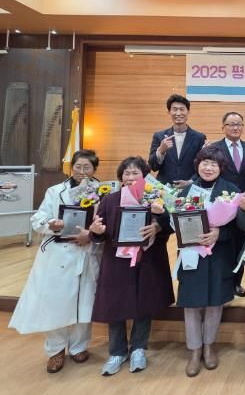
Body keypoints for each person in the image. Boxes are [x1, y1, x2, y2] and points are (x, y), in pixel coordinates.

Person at [9, 150, 103, 374]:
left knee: (85, 299)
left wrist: (92, 234)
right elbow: (37, 219)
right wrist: (52, 223)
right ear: (71, 167)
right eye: (78, 167)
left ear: (94, 169)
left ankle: (79, 347)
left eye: (87, 167)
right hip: (59, 252)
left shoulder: (103, 192)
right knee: (56, 301)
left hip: (87, 250)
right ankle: (56, 350)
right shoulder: (55, 191)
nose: (82, 171)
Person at [89, 156, 174, 376]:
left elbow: (170, 225)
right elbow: (99, 231)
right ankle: (117, 352)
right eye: (126, 173)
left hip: (148, 259)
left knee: (144, 302)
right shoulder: (110, 200)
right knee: (115, 303)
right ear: (121, 177)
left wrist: (158, 226)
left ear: (144, 176)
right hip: (116, 260)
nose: (130, 177)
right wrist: (96, 232)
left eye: (135, 173)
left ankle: (138, 348)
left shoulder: (155, 197)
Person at [176, 147, 245, 377]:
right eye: (205, 163)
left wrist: (220, 233)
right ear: (197, 165)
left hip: (219, 254)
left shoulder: (231, 190)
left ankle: (209, 345)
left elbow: (241, 227)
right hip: (192, 254)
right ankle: (194, 350)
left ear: (221, 168)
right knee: (191, 304)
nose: (208, 168)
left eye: (214, 164)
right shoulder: (186, 190)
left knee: (215, 303)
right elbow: (176, 222)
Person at [208, 111, 245, 297]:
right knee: (222, 246)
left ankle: (236, 282)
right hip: (221, 206)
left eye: (239, 124)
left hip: (242, 207)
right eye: (231, 124)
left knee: (240, 244)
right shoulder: (214, 148)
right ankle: (221, 282)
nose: (235, 127)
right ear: (223, 127)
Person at [148, 94, 206, 189]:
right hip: (163, 189)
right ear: (169, 112)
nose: (178, 113)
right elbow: (153, 167)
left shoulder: (199, 137)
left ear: (188, 112)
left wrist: (190, 182)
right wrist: (161, 151)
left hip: (189, 189)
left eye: (182, 109)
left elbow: (202, 165)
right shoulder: (159, 136)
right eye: (174, 109)